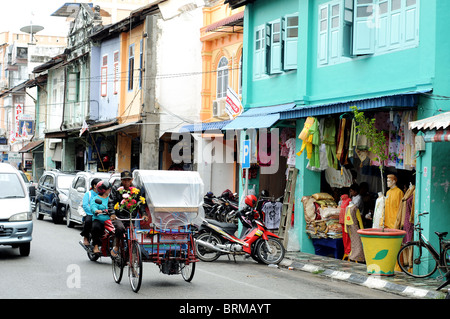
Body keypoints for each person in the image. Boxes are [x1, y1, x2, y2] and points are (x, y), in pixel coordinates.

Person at [108, 170, 148, 257]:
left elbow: (140, 203)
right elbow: (111, 202)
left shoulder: (136, 189)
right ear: (121, 180)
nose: (126, 182)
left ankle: (132, 253)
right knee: (120, 228)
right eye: (124, 180)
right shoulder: (116, 188)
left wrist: (144, 214)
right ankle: (117, 246)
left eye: (128, 180)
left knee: (133, 234)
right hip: (118, 217)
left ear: (132, 180)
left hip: (131, 216)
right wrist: (112, 214)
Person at [90, 181, 112, 255]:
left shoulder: (111, 198)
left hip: (110, 220)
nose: (110, 190)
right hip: (99, 219)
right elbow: (93, 207)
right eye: (108, 189)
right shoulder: (96, 199)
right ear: (103, 190)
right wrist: (96, 210)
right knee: (96, 227)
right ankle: (96, 246)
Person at [80, 178, 101, 246]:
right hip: (90, 213)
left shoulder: (102, 194)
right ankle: (85, 237)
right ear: (95, 186)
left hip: (101, 214)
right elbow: (85, 205)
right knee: (88, 221)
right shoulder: (88, 194)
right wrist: (94, 212)